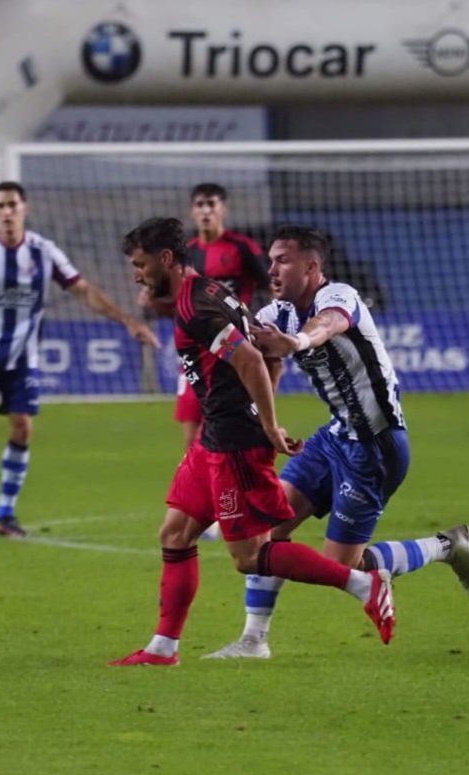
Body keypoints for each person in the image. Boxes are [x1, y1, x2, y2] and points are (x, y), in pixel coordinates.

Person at [110, 217, 397, 667]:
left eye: (141, 265)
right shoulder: (206, 291)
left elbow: (250, 361)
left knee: (250, 556)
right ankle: (163, 648)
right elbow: (266, 353)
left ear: (166, 259)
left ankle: (363, 584)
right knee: (175, 533)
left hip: (235, 444)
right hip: (213, 437)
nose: (137, 275)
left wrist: (268, 426)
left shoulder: (197, 307)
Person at [202, 225, 469, 660]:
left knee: (339, 566)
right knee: (265, 534)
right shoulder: (277, 313)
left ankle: (447, 546)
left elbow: (326, 326)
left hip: (376, 447)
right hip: (333, 437)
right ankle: (253, 641)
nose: (271, 269)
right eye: (271, 260)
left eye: (283, 261)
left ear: (312, 267)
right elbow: (252, 351)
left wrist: (295, 342)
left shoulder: (339, 297)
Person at [0, 180, 159, 538]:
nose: (7, 211)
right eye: (1, 205)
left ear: (25, 208)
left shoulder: (43, 251)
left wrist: (127, 321)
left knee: (22, 427)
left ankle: (6, 514)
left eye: (13, 205)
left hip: (24, 356)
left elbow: (83, 290)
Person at [139, 183, 270, 451]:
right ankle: (203, 479)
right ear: (192, 211)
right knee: (191, 435)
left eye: (212, 204)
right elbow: (175, 305)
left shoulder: (243, 248)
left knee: (232, 432)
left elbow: (272, 287)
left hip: (233, 348)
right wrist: (152, 303)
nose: (206, 211)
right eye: (200, 205)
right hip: (195, 351)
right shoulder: (185, 254)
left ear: (224, 210)